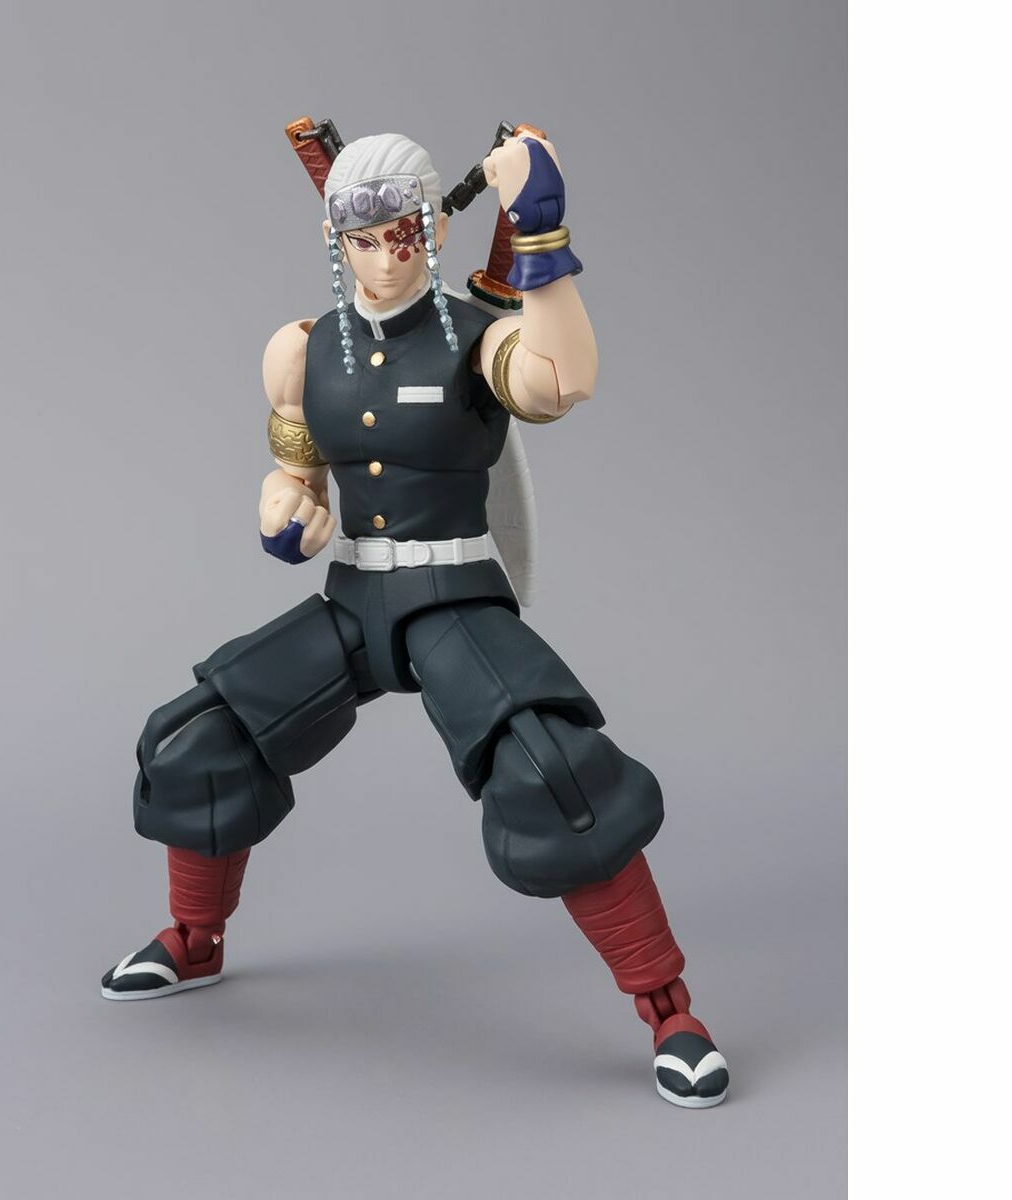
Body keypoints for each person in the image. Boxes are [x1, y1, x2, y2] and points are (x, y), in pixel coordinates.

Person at [101, 132, 729, 1109]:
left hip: (453, 599)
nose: (387, 257)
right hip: (354, 599)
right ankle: (196, 937)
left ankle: (667, 1009)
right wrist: (288, 510)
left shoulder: (478, 336)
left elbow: (560, 381)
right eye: (366, 239)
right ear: (335, 239)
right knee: (198, 739)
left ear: (433, 229)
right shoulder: (302, 349)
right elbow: (293, 471)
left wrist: (542, 229)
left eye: (404, 236)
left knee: (556, 772)